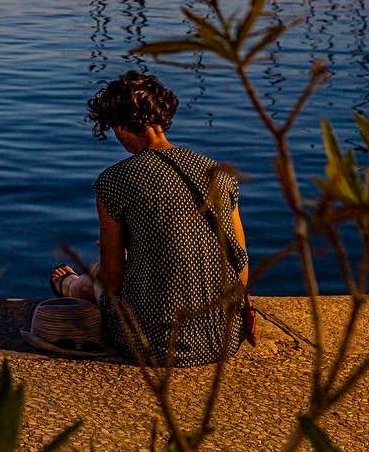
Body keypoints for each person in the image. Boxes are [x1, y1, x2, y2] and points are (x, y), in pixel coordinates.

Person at [50, 71, 249, 366]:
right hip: (225, 338)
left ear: (119, 125)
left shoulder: (114, 180)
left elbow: (114, 279)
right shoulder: (217, 172)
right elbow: (240, 268)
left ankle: (71, 286)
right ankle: (77, 283)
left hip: (152, 345)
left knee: (98, 273)